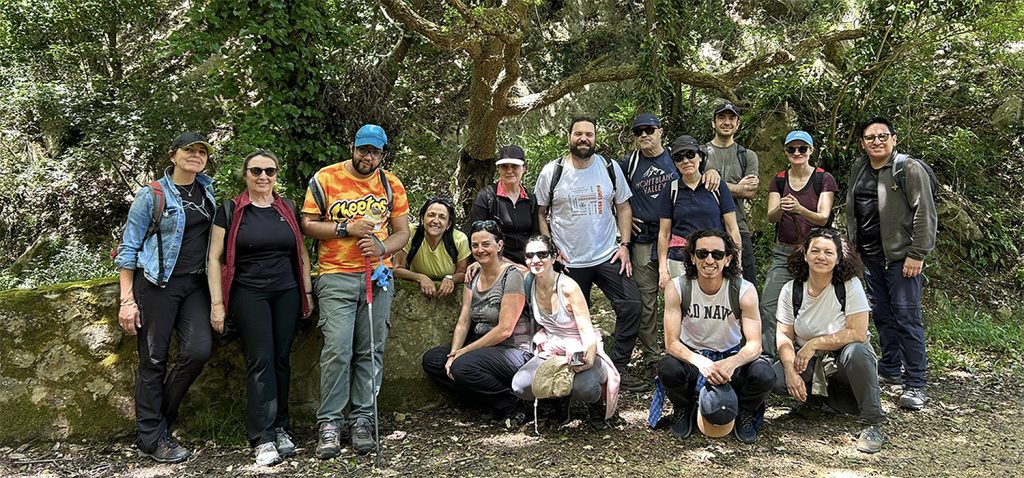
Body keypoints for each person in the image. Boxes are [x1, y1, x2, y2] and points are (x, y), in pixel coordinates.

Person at [300, 124, 411, 458]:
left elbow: (402, 232)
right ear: (353, 147)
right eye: (363, 149)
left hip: (377, 275)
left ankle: (362, 419)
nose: (368, 157)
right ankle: (330, 423)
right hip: (335, 275)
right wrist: (345, 228)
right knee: (337, 349)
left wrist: (381, 248)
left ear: (383, 153)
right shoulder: (325, 178)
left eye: (375, 151)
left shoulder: (391, 184)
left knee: (371, 349)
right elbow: (307, 224)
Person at [113, 132, 216, 463]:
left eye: (202, 151)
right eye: (189, 150)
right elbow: (128, 249)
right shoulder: (152, 195)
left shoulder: (207, 189)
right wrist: (127, 301)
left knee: (199, 350)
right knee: (153, 359)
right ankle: (151, 436)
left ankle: (161, 419)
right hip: (158, 284)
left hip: (195, 285)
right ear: (173, 155)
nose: (196, 155)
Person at [207, 150, 314, 466]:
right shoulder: (229, 210)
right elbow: (214, 258)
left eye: (269, 171)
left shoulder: (288, 208)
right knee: (261, 360)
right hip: (249, 294)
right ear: (245, 175)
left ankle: (281, 427)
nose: (263, 177)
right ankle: (263, 436)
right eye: (256, 171)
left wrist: (307, 291)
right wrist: (217, 305)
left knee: (282, 359)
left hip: (287, 292)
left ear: (276, 175)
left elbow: (301, 253)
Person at [533, 116, 645, 391]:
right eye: (579, 134)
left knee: (631, 305)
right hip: (568, 260)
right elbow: (541, 212)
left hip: (606, 254)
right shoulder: (553, 171)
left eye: (589, 134)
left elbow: (624, 207)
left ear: (595, 138)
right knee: (568, 320)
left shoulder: (609, 168)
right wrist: (551, 250)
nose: (584, 139)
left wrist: (625, 245)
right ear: (569, 137)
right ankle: (572, 370)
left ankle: (616, 366)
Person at [845, 117, 937, 410]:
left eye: (883, 136)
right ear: (862, 143)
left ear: (894, 139)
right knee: (882, 315)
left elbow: (925, 211)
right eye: (870, 137)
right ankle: (890, 368)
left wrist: (917, 253)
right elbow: (853, 210)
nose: (877, 141)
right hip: (869, 257)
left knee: (907, 318)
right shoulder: (859, 168)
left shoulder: (908, 168)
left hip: (900, 258)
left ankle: (916, 383)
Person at [620, 114, 722, 369]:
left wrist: (711, 171)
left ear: (660, 132)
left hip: (675, 242)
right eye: (638, 132)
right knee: (647, 299)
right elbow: (613, 193)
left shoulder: (675, 158)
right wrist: (620, 219)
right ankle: (654, 354)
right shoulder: (629, 163)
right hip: (642, 239)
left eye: (649, 130)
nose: (644, 135)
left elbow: (696, 172)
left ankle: (687, 347)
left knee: (682, 296)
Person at [772, 228, 886, 454]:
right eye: (814, 251)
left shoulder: (849, 286)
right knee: (771, 377)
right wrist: (790, 371)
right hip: (808, 362)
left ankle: (873, 422)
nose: (821, 257)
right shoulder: (791, 290)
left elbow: (857, 333)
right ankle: (817, 401)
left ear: (838, 258)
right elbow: (783, 335)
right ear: (805, 255)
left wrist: (813, 344)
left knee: (857, 351)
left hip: (843, 363)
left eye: (828, 252)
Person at [657, 229, 773, 443]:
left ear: (728, 259)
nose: (709, 260)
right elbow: (671, 343)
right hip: (693, 359)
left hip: (730, 357)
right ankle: (683, 408)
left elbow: (755, 345)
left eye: (717, 254)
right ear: (692, 257)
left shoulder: (744, 291)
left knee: (764, 373)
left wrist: (732, 362)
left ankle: (745, 412)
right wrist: (700, 362)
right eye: (702, 253)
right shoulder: (678, 287)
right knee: (668, 368)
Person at [421, 220, 533, 425]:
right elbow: (464, 320)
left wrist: (462, 354)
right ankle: (488, 401)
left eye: (486, 244)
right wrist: (452, 354)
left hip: (513, 349)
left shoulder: (512, 275)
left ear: (499, 245)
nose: (480, 250)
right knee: (434, 361)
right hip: (483, 348)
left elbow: (505, 329)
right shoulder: (473, 275)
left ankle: (511, 405)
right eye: (475, 245)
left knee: (462, 366)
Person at [511, 235, 620, 430]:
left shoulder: (568, 287)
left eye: (542, 254)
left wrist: (588, 358)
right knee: (521, 385)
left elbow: (586, 330)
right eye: (530, 255)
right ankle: (556, 403)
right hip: (552, 346)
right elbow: (499, 263)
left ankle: (597, 409)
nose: (535, 260)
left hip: (579, 345)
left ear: (553, 257)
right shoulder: (529, 282)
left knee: (584, 387)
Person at [760, 131, 838, 358]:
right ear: (785, 152)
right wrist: (781, 208)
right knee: (768, 304)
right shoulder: (780, 179)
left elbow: (823, 217)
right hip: (784, 251)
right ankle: (769, 356)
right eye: (791, 149)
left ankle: (817, 354)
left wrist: (799, 209)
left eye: (802, 149)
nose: (797, 153)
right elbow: (771, 217)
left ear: (811, 151)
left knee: (815, 305)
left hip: (816, 253)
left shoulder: (823, 179)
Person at [657, 135, 741, 289]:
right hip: (679, 258)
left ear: (700, 157)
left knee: (714, 302)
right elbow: (664, 233)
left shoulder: (717, 187)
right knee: (683, 306)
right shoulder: (671, 190)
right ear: (675, 163)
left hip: (713, 257)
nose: (686, 161)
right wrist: (663, 269)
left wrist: (737, 262)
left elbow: (732, 228)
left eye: (690, 154)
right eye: (679, 157)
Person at [702, 103, 760, 286]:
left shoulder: (747, 155)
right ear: (713, 122)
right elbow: (695, 185)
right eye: (721, 118)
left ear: (738, 123)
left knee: (744, 285)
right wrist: (738, 188)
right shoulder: (700, 154)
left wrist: (715, 183)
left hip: (739, 229)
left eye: (731, 118)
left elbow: (749, 191)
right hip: (706, 228)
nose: (726, 122)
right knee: (706, 285)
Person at [467, 145, 539, 265]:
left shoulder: (530, 199)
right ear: (499, 169)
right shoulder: (487, 196)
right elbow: (474, 233)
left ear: (524, 168)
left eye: (514, 166)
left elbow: (535, 234)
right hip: (495, 262)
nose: (509, 171)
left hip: (526, 262)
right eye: (504, 166)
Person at [394, 197, 470, 297]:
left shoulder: (459, 240)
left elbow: (462, 273)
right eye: (431, 215)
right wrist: (421, 278)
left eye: (442, 217)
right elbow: (397, 269)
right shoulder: (410, 233)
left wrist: (451, 279)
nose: (435, 221)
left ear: (449, 224)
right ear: (422, 218)